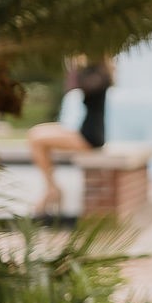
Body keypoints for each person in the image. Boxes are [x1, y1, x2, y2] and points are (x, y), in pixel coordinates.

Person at [27, 57, 113, 217]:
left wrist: (75, 66)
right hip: (82, 131)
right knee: (35, 135)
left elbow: (76, 86)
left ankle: (52, 189)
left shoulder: (101, 74)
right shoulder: (96, 73)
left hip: (90, 136)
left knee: (38, 139)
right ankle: (51, 187)